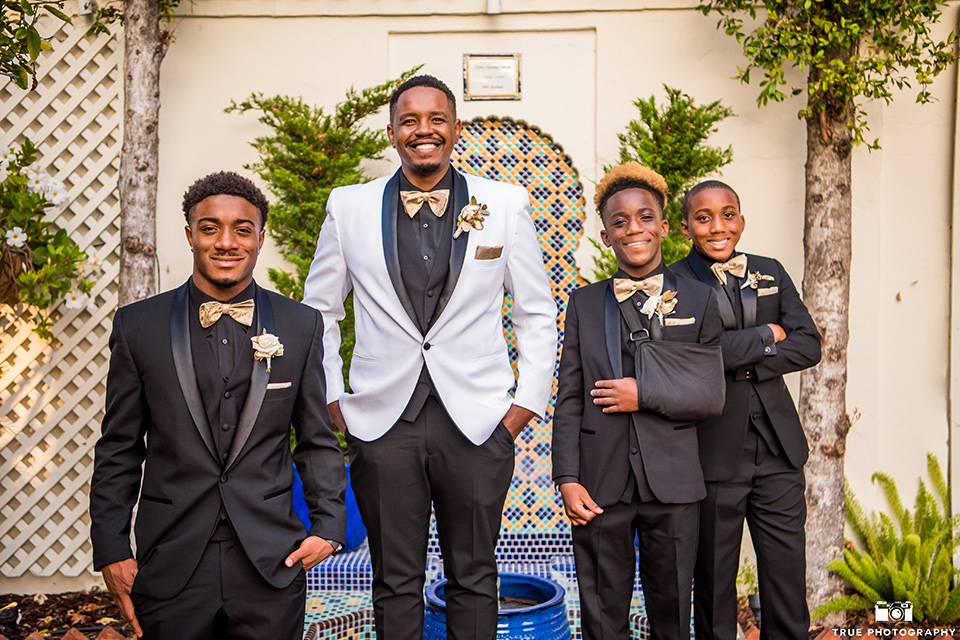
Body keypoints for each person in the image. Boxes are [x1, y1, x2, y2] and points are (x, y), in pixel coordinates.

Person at [302, 74, 558, 640]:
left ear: (454, 129)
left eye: (436, 119)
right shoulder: (348, 207)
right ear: (393, 132)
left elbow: (535, 312)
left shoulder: (505, 203)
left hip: (478, 420)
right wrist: (333, 403)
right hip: (381, 422)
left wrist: (522, 408)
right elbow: (317, 311)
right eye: (411, 120)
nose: (425, 130)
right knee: (394, 580)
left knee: (475, 576)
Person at [89, 171, 346, 640]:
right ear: (190, 235)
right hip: (171, 558)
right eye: (210, 228)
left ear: (260, 238)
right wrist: (110, 548)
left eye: (242, 229)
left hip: (272, 559)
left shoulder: (300, 325)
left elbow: (316, 440)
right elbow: (120, 448)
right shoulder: (137, 327)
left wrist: (328, 527)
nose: (226, 242)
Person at [553, 162, 723, 640]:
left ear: (665, 227)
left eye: (645, 217)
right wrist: (567, 476)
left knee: (672, 614)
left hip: (673, 483)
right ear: (606, 236)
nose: (634, 229)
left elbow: (709, 392)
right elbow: (569, 396)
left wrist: (642, 393)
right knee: (602, 616)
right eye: (620, 221)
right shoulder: (584, 304)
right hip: (600, 483)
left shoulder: (700, 299)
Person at [671, 179, 821, 640]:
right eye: (704, 217)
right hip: (713, 454)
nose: (718, 226)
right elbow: (688, 357)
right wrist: (765, 337)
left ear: (740, 219)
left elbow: (809, 345)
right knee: (715, 582)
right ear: (685, 227)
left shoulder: (769, 270)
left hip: (779, 451)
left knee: (786, 579)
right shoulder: (673, 281)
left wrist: (739, 353)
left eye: (728, 214)